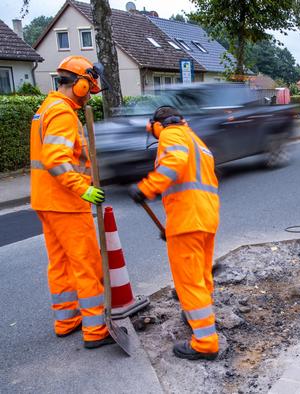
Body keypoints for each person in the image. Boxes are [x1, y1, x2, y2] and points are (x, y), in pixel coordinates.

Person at [30, 55, 117, 348]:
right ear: (79, 85)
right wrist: (84, 188)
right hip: (66, 202)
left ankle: (67, 320)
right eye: (89, 88)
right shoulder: (63, 113)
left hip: (46, 200)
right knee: (87, 263)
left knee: (60, 263)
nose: (88, 95)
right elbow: (55, 159)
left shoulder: (45, 109)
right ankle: (96, 330)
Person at [129, 106, 220, 360]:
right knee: (201, 276)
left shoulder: (171, 133)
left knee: (189, 282)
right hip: (206, 217)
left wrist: (147, 188)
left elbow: (174, 163)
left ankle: (205, 343)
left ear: (159, 124)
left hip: (188, 220)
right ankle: (196, 318)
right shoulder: (196, 140)